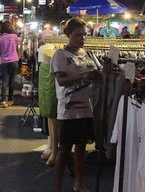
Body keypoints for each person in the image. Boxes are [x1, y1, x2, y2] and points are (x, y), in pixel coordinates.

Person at [50, 18, 101, 192]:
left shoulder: (88, 54)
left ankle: (78, 184)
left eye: (84, 35)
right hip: (68, 110)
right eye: (78, 35)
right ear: (68, 35)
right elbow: (61, 80)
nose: (82, 38)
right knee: (64, 149)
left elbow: (98, 74)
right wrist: (84, 76)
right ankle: (57, 188)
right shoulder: (60, 55)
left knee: (81, 147)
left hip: (87, 109)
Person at [0, 21, 20, 108]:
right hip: (14, 60)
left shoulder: (0, 38)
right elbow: (17, 49)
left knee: (4, 81)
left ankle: (3, 101)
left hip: (4, 62)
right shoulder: (15, 37)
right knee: (12, 81)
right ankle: (10, 99)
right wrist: (19, 59)